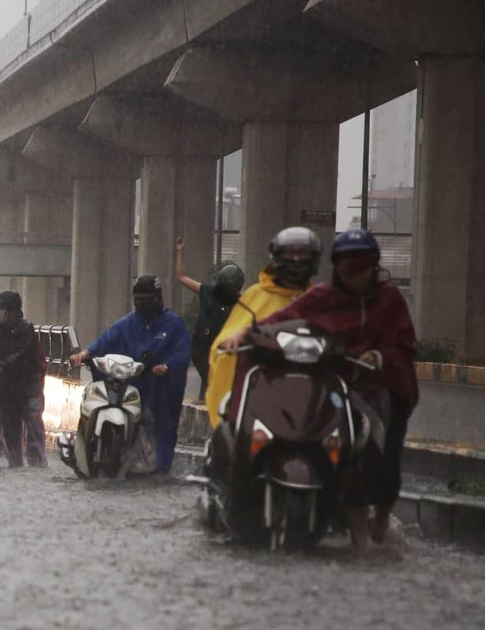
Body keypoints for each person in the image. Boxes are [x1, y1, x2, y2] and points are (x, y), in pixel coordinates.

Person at [220, 229, 418, 551]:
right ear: (337, 269)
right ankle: (357, 536)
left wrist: (378, 356)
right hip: (340, 383)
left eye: (362, 270)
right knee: (347, 452)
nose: (356, 278)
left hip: (381, 385)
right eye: (349, 271)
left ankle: (379, 523)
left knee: (378, 452)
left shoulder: (389, 300)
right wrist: (244, 334)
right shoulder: (322, 298)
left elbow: (403, 343)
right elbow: (280, 320)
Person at [70, 275, 190, 474]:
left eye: (147, 299)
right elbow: (106, 340)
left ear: (158, 298)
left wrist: (166, 367)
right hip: (131, 383)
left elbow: (183, 353)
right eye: (138, 300)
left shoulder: (173, 324)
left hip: (161, 388)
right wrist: (85, 354)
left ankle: (159, 470)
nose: (142, 304)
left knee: (162, 429)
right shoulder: (128, 323)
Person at [205, 226, 319, 428]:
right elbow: (231, 334)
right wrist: (235, 339)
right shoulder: (256, 295)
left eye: (302, 253)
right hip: (264, 385)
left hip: (310, 388)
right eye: (290, 253)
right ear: (277, 257)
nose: (296, 260)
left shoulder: (319, 298)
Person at [173, 235, 245, 401]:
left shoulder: (241, 302)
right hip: (202, 346)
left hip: (223, 348)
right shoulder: (207, 292)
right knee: (210, 376)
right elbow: (181, 277)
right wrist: (179, 252)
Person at [0, 290, 47, 468]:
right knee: (9, 427)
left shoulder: (26, 330)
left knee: (33, 424)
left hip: (28, 384)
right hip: (6, 387)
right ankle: (14, 464)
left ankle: (37, 464)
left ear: (10, 310)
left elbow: (22, 352)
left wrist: (3, 365)